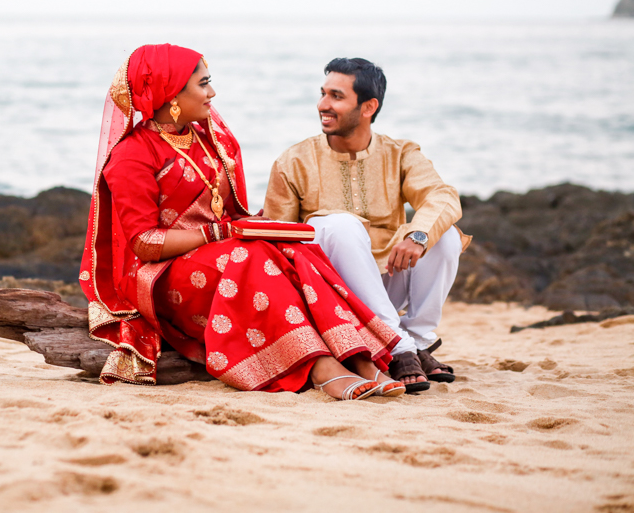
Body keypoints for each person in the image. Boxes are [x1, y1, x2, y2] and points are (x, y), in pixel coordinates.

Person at [79, 44, 404, 401]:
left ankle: (355, 354)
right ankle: (320, 367)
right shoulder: (132, 154)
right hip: (159, 273)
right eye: (203, 84)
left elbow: (230, 213)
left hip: (216, 252)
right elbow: (143, 242)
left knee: (295, 250)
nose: (212, 93)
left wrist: (253, 225)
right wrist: (218, 232)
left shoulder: (207, 140)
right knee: (250, 258)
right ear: (171, 92)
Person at [263, 57, 472, 393]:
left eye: (336, 96)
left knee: (443, 236)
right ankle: (400, 348)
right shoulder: (294, 161)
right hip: (333, 296)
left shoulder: (400, 153)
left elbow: (443, 196)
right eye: (322, 94)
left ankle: (417, 341)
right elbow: (277, 243)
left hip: (386, 281)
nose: (323, 105)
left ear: (368, 107)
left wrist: (417, 236)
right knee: (341, 226)